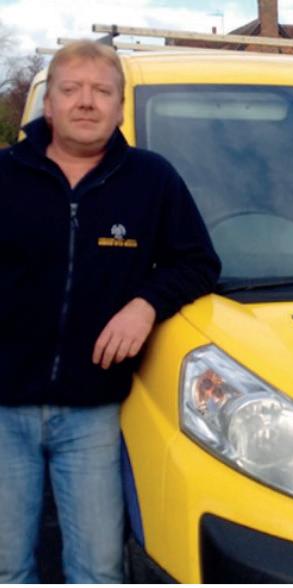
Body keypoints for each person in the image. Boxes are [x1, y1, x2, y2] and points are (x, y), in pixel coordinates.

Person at [0, 41, 221, 583]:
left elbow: (197, 262)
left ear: (120, 107)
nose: (86, 101)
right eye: (71, 89)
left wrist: (145, 305)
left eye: (101, 91)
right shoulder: (5, 175)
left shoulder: (152, 180)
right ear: (48, 105)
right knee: (6, 565)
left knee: (97, 568)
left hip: (94, 411)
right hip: (3, 408)